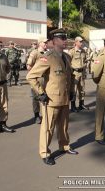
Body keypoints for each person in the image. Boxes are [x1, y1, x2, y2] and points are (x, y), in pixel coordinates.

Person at [27, 28, 78, 165]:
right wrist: (41, 93)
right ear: (55, 41)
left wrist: (72, 91)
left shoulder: (67, 57)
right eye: (62, 38)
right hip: (51, 99)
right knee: (48, 128)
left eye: (65, 38)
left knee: (64, 125)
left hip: (65, 98)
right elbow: (31, 76)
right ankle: (45, 153)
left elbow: (70, 76)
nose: (65, 40)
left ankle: (64, 146)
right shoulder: (48, 57)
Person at [26, 37, 49, 124]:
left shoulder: (48, 53)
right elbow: (29, 66)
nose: (46, 44)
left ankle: (46, 114)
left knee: (46, 96)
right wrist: (34, 75)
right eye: (44, 42)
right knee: (36, 98)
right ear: (40, 43)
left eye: (47, 42)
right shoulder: (35, 53)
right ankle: (36, 116)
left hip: (46, 78)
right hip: (37, 79)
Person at [68, 36, 89, 112]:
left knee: (82, 89)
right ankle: (73, 106)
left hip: (82, 73)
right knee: (74, 90)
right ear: (76, 42)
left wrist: (85, 68)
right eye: (80, 42)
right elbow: (68, 62)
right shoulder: (72, 51)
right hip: (75, 73)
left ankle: (81, 104)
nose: (81, 43)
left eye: (82, 41)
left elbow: (85, 61)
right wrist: (72, 68)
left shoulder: (83, 51)